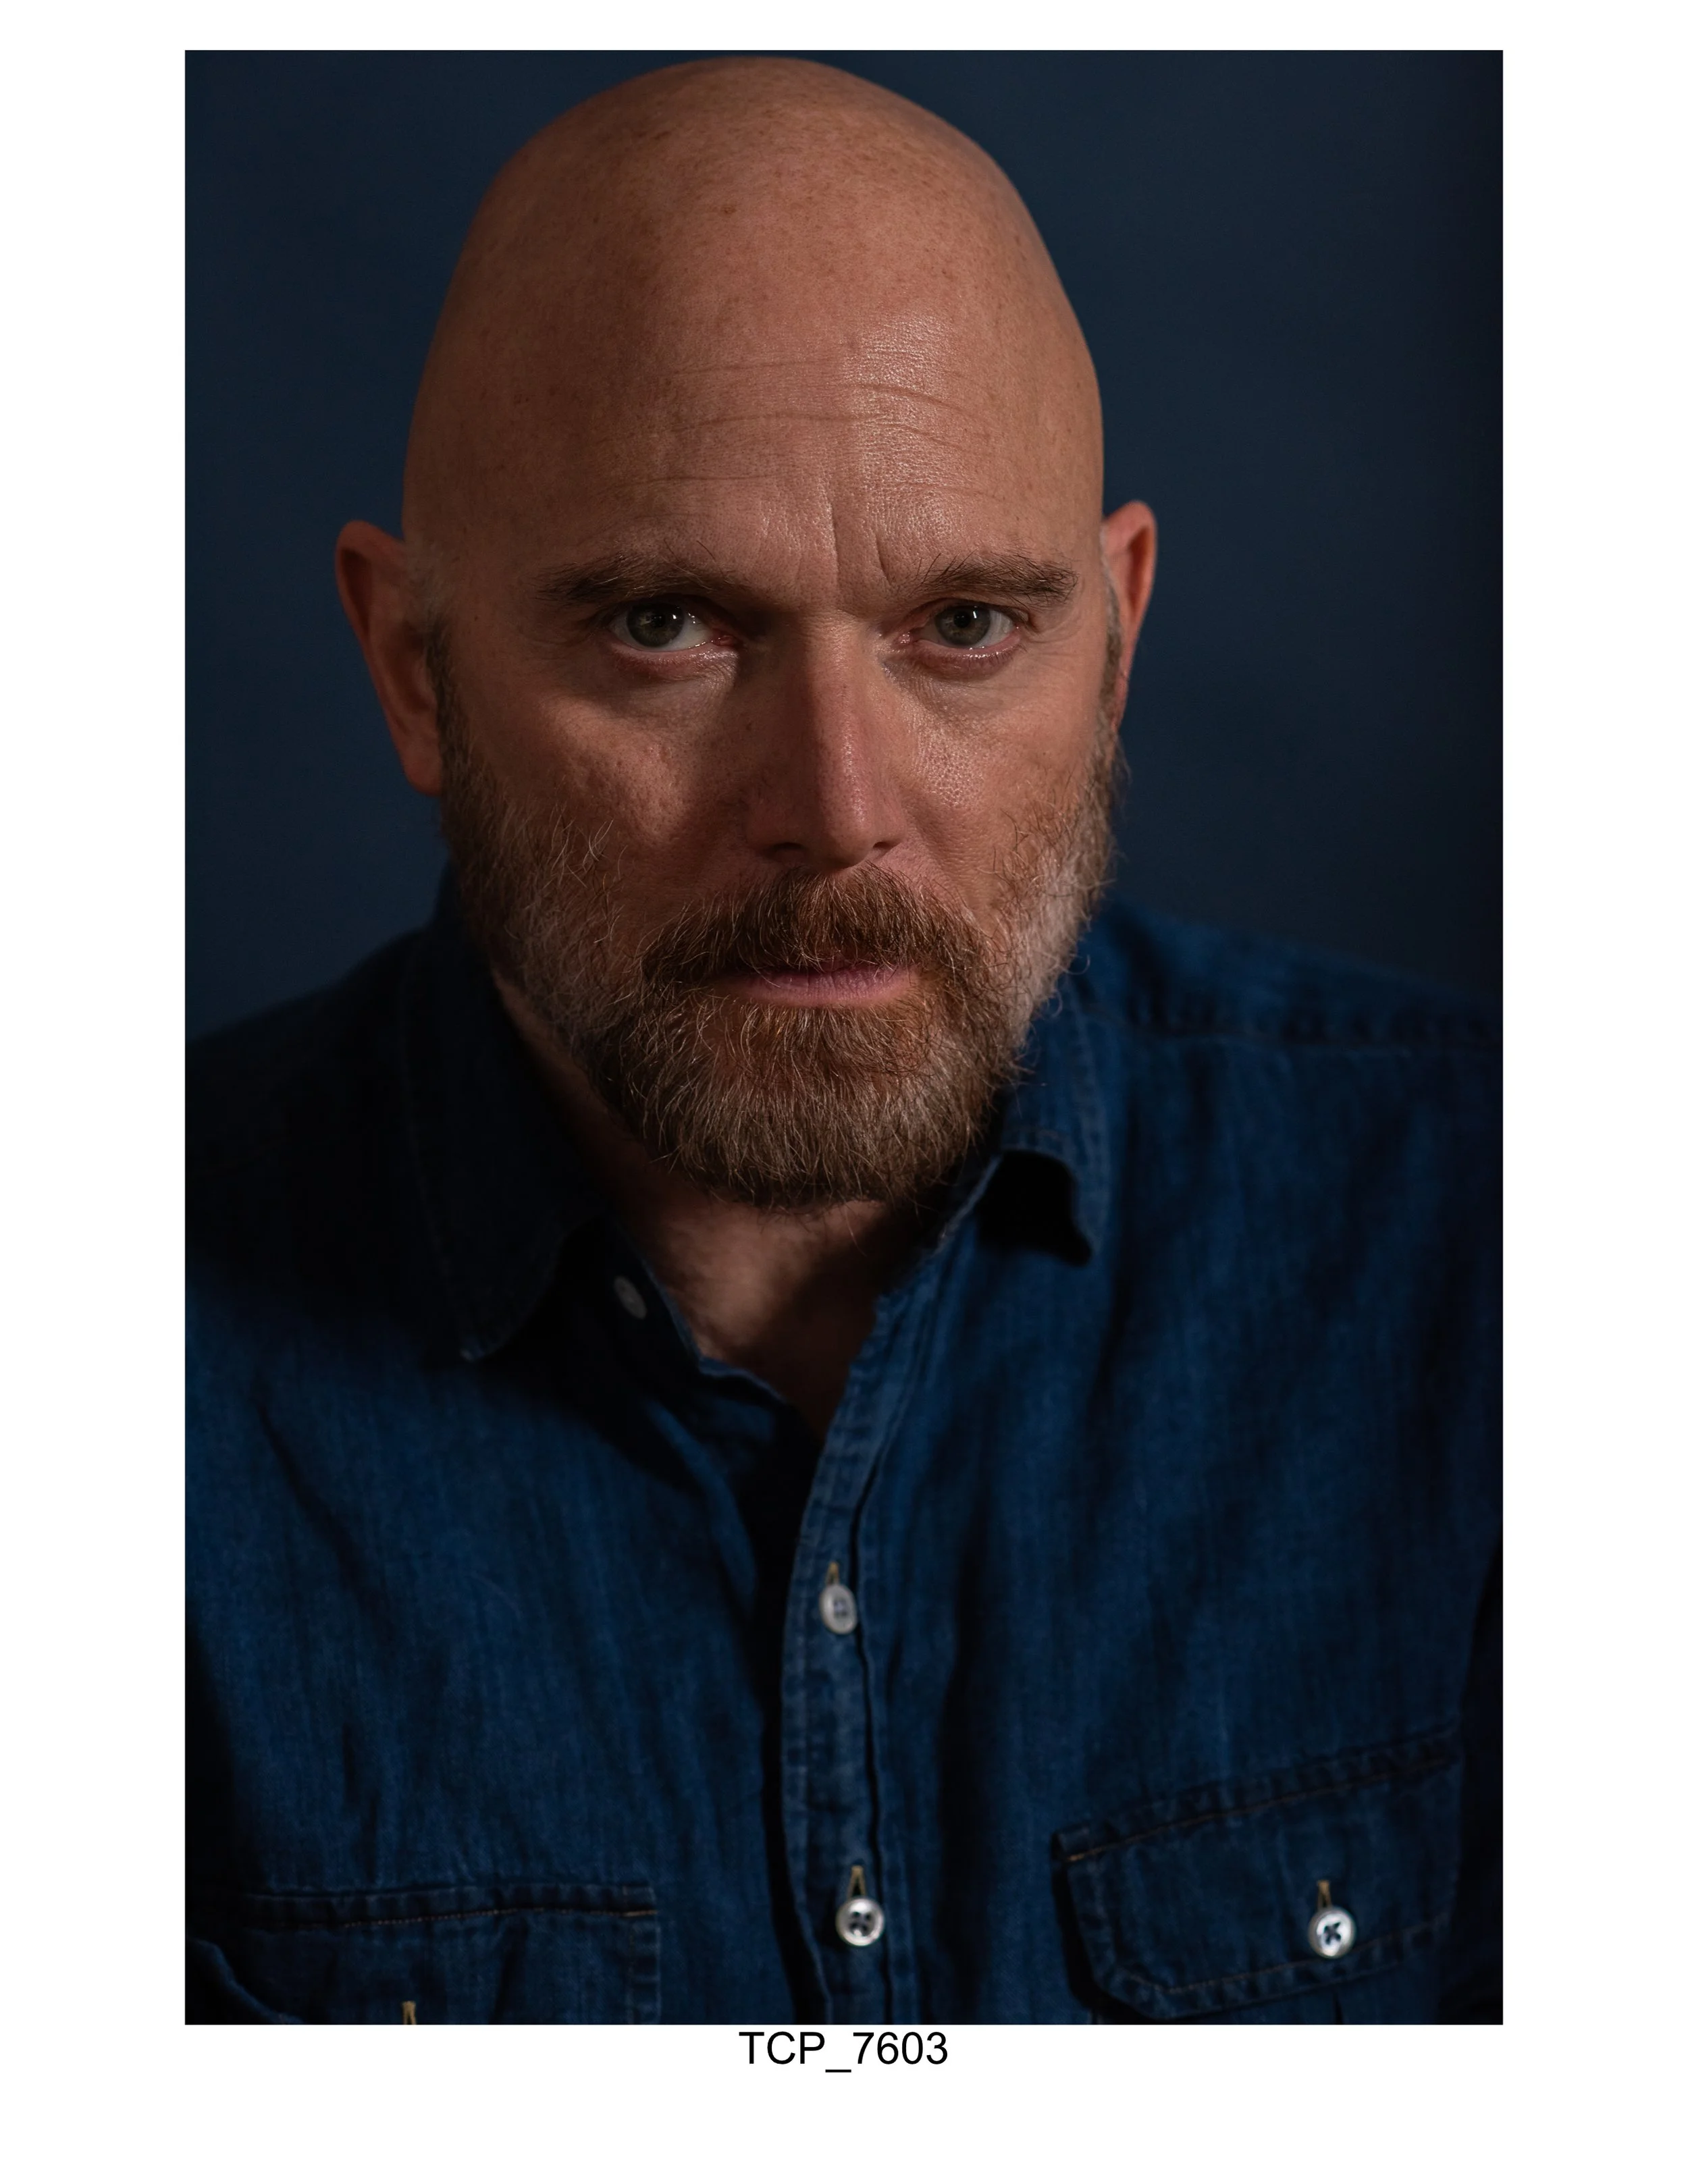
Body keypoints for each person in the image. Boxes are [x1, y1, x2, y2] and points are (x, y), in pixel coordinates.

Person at [186, 57, 1499, 2025]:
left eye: (964, 627)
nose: (836, 808)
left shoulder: (1508, 1245)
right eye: (664, 624)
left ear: (1115, 645)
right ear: (414, 671)